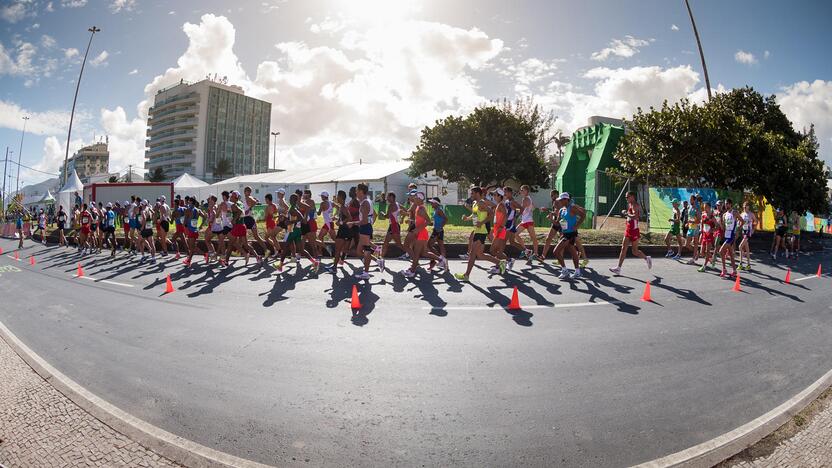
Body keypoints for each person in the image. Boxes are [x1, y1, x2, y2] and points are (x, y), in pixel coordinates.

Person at [453, 187, 505, 281]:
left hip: (481, 231)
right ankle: (500, 263)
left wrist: (482, 222)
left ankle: (466, 275)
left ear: (477, 193)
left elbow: (491, 214)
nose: (471, 195)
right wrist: (467, 218)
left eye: (472, 193)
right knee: (480, 255)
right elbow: (474, 215)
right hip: (477, 230)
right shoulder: (474, 203)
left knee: (472, 253)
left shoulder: (481, 203)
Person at [401, 192, 446, 278]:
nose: (413, 199)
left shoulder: (421, 209)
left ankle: (412, 271)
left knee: (417, 253)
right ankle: (441, 259)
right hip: (421, 232)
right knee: (424, 253)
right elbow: (419, 221)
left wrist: (418, 229)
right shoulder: (418, 207)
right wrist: (411, 221)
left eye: (415, 198)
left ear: (419, 199)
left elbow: (428, 221)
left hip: (421, 233)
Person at [609, 191, 651, 275]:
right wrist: (627, 218)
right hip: (628, 229)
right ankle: (618, 268)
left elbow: (635, 217)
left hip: (634, 230)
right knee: (623, 248)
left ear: (632, 197)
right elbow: (630, 217)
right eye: (626, 197)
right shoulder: (630, 204)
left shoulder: (635, 205)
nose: (626, 199)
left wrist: (626, 213)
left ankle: (647, 258)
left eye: (627, 197)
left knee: (634, 251)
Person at [274, 193, 318, 272]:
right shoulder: (293, 207)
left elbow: (300, 217)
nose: (290, 201)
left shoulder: (293, 208)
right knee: (301, 250)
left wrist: (290, 221)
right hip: (297, 230)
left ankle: (280, 265)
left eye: (292, 199)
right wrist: (284, 217)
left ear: (295, 200)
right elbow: (295, 217)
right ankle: (314, 262)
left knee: (285, 248)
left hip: (293, 231)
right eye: (290, 199)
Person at [351, 183, 383, 280]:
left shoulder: (365, 203)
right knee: (359, 251)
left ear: (361, 191)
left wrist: (352, 223)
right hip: (365, 227)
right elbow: (373, 215)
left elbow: (364, 221)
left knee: (366, 250)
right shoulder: (367, 201)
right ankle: (377, 262)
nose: (355, 192)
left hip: (364, 227)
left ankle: (366, 272)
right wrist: (370, 223)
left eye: (356, 190)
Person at [553, 192, 587, 280]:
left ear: (566, 199)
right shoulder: (561, 210)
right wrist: (551, 219)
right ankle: (577, 272)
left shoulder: (572, 207)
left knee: (556, 251)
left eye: (561, 200)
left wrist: (577, 225)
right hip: (565, 233)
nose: (559, 201)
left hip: (571, 234)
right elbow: (557, 223)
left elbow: (583, 215)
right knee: (573, 252)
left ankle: (565, 270)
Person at [226, 191, 261, 266]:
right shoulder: (240, 203)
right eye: (231, 196)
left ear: (236, 198)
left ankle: (226, 261)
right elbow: (241, 212)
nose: (230, 198)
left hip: (238, 226)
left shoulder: (234, 205)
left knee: (230, 244)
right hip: (242, 226)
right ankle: (257, 257)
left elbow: (239, 212)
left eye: (232, 196)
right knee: (246, 244)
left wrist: (233, 219)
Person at [325, 190, 351, 273]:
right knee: (341, 249)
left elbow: (349, 218)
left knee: (337, 250)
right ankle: (336, 265)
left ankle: (334, 268)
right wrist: (336, 219)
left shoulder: (343, 207)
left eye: (337, 196)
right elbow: (343, 218)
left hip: (343, 230)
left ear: (341, 197)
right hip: (344, 230)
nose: (336, 198)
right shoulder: (342, 206)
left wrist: (341, 222)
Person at [514, 185, 539, 263]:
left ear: (526, 191)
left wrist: (515, 214)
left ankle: (535, 253)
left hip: (527, 221)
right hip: (525, 221)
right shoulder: (528, 198)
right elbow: (533, 207)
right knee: (515, 234)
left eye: (522, 190)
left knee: (533, 237)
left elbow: (522, 209)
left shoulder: (525, 198)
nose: (520, 191)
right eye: (520, 190)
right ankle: (527, 251)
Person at [718, 199, 742, 278]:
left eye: (727, 204)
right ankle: (734, 271)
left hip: (731, 235)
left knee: (721, 251)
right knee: (731, 254)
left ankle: (724, 269)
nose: (726, 205)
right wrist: (720, 223)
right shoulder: (724, 215)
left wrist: (737, 230)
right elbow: (724, 227)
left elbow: (742, 221)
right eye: (725, 204)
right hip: (726, 235)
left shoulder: (734, 212)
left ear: (731, 204)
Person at [243, 186, 269, 256]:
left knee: (253, 236)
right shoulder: (247, 198)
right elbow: (256, 201)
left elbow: (255, 202)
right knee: (254, 236)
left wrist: (249, 209)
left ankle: (266, 250)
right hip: (249, 218)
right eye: (246, 191)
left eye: (248, 191)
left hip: (248, 219)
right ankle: (266, 250)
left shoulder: (249, 197)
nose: (246, 192)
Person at [539, 189, 561, 264]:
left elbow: (558, 213)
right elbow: (555, 213)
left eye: (552, 195)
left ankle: (560, 259)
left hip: (561, 224)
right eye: (551, 196)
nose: (551, 197)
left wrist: (548, 212)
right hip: (555, 223)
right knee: (548, 239)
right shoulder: (554, 202)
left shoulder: (559, 201)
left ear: (557, 195)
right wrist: (549, 213)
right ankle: (543, 257)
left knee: (563, 242)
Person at [381, 192, 406, 259]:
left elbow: (387, 216)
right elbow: (406, 210)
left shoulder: (391, 205)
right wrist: (402, 217)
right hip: (395, 225)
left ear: (392, 197)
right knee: (388, 243)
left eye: (388, 197)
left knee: (397, 244)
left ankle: (409, 253)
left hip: (394, 226)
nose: (387, 199)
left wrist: (383, 214)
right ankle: (381, 258)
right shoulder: (398, 204)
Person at [183, 196, 205, 266]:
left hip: (190, 230)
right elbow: (204, 217)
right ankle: (205, 254)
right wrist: (201, 225)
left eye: (189, 201)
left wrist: (184, 228)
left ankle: (189, 261)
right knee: (192, 247)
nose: (188, 202)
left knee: (191, 248)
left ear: (191, 202)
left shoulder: (188, 210)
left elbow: (185, 221)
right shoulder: (198, 210)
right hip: (195, 230)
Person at [697, 202, 717, 273]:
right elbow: (702, 224)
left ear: (709, 207)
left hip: (710, 236)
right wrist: (701, 234)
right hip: (704, 235)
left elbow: (717, 226)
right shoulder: (703, 214)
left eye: (706, 207)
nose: (704, 208)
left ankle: (704, 266)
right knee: (702, 253)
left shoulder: (712, 216)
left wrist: (712, 230)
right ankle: (711, 259)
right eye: (704, 207)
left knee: (707, 251)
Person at [426, 197, 447, 262]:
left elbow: (446, 219)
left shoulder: (439, 210)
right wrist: (432, 224)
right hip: (437, 230)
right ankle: (443, 260)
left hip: (438, 230)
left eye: (432, 203)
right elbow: (438, 220)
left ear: (436, 203)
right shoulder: (436, 210)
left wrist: (440, 227)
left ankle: (440, 259)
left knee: (429, 245)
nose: (431, 204)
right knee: (441, 246)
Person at [738, 201, 756, 271]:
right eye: (744, 206)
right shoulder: (742, 214)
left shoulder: (751, 214)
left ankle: (740, 264)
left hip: (748, 232)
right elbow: (739, 221)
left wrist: (753, 229)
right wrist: (738, 225)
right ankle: (748, 265)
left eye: (746, 206)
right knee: (747, 249)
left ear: (748, 207)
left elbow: (756, 221)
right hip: (743, 231)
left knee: (740, 247)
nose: (745, 207)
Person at [684, 195, 701, 265]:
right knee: (687, 244)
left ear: (694, 200)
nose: (690, 200)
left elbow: (699, 221)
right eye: (689, 199)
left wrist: (691, 222)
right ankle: (696, 252)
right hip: (690, 228)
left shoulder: (697, 208)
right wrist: (688, 223)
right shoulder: (689, 207)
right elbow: (690, 217)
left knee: (695, 243)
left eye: (691, 199)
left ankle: (693, 259)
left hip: (696, 228)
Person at [263, 193, 281, 257]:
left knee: (269, 237)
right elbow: (276, 214)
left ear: (268, 199)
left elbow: (266, 217)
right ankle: (277, 250)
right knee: (270, 237)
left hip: (270, 223)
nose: (265, 200)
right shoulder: (274, 205)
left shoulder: (268, 207)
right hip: (273, 222)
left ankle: (278, 250)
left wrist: (262, 219)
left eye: (265, 199)